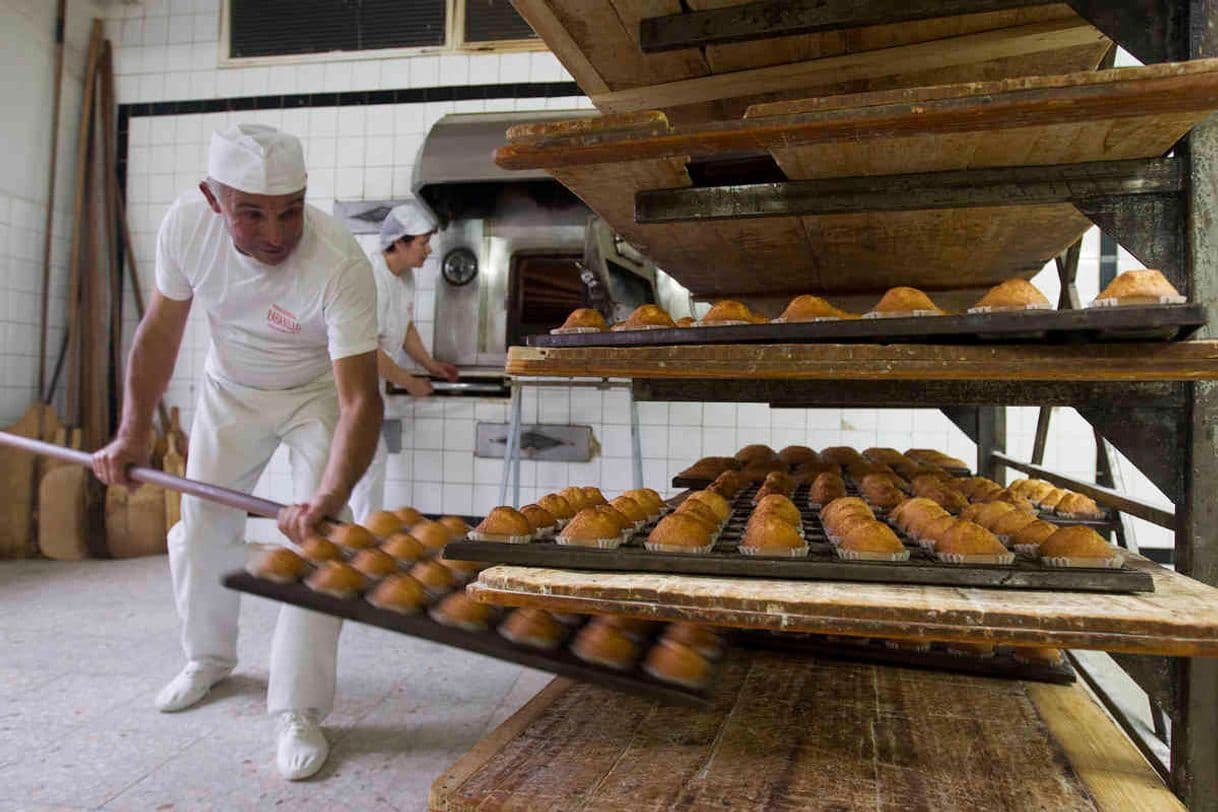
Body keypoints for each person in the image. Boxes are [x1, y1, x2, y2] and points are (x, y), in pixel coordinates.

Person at [91, 124, 382, 781]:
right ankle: (209, 658)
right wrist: (132, 431)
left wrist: (328, 498)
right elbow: (160, 332)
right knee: (201, 531)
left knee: (320, 545)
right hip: (230, 390)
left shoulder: (340, 261)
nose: (276, 234)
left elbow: (361, 401)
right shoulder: (186, 227)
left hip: (314, 396)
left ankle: (299, 709)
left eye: (290, 211)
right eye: (251, 213)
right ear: (213, 199)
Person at [348, 200, 459, 522]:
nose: (428, 251)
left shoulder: (404, 278)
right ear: (399, 242)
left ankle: (358, 540)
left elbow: (404, 326)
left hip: (370, 387)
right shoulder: (370, 278)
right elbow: (366, 347)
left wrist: (431, 365)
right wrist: (409, 381)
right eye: (423, 243)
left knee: (369, 463)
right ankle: (356, 543)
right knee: (367, 465)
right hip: (346, 386)